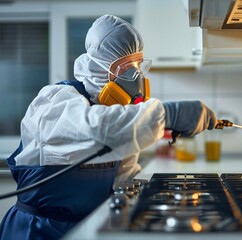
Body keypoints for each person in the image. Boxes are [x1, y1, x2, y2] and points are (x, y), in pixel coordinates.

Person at [0, 14, 217, 240]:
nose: (136, 77)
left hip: (84, 229)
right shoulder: (56, 101)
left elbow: (124, 178)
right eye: (126, 68)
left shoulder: (115, 118)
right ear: (99, 67)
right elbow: (98, 129)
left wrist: (157, 196)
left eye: (138, 65)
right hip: (37, 231)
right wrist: (168, 114)